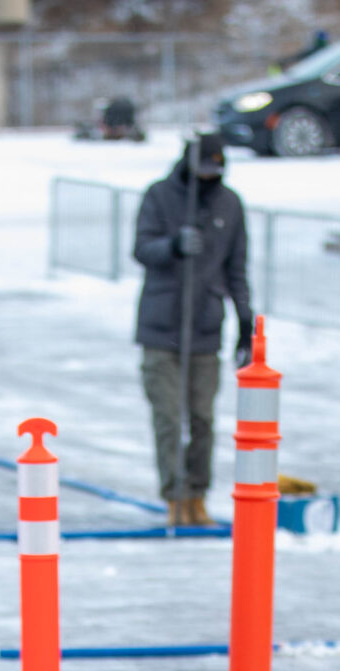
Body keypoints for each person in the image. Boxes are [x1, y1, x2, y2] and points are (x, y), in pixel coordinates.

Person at [133, 132, 251, 528]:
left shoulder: (230, 205)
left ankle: (198, 494)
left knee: (202, 418)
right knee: (168, 416)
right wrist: (173, 246)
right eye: (201, 169)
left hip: (203, 327)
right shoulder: (160, 196)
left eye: (214, 170)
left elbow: (237, 270)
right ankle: (174, 495)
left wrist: (245, 322)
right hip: (161, 327)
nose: (207, 177)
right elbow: (141, 249)